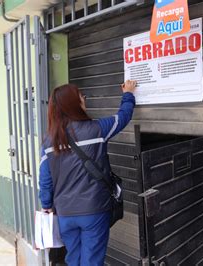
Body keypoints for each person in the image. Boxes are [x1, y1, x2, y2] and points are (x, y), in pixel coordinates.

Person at [38, 80, 137, 266]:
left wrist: (46, 204)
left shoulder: (48, 140)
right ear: (73, 104)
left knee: (73, 259)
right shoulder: (97, 129)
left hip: (65, 214)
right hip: (94, 211)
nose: (85, 99)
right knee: (92, 261)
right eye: (81, 96)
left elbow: (45, 179)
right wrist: (128, 94)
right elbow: (123, 117)